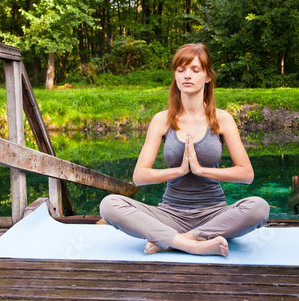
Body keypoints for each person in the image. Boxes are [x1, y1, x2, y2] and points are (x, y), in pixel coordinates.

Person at [99, 43, 269, 257]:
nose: (187, 76)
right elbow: (139, 176)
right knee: (110, 204)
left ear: (207, 77)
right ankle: (194, 244)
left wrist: (201, 170)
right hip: (170, 214)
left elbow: (246, 174)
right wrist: (179, 171)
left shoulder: (222, 119)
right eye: (181, 70)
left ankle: (173, 241)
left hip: (215, 215)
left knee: (259, 207)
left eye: (195, 70)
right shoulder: (162, 120)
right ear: (175, 76)